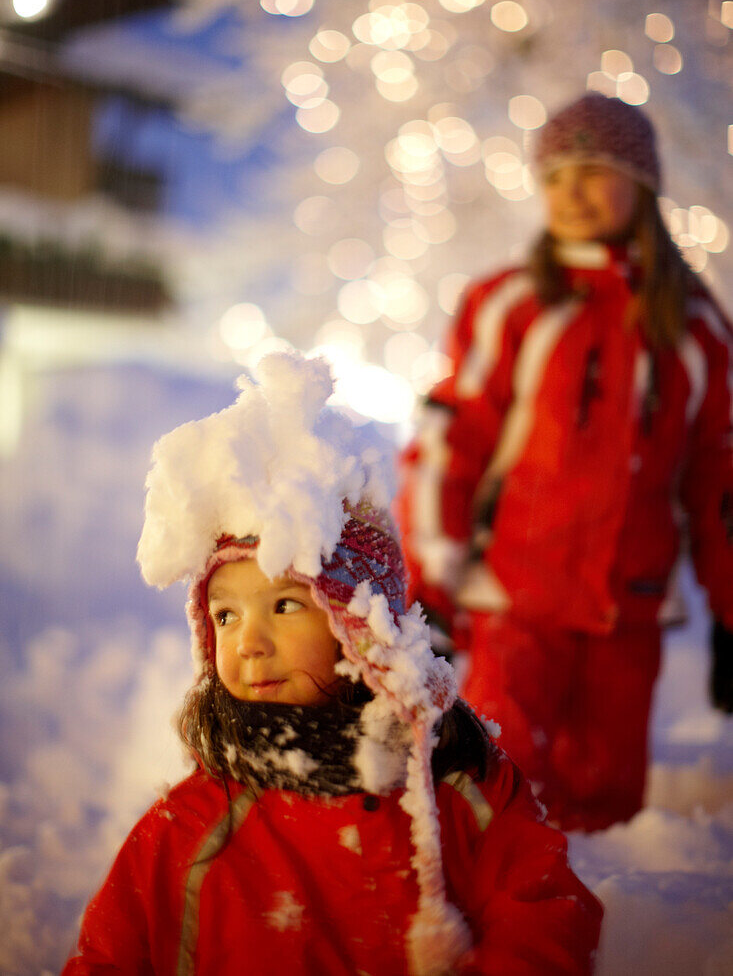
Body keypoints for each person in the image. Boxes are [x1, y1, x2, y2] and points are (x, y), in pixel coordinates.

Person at [62, 352, 602, 976]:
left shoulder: (455, 787)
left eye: (285, 605)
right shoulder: (187, 829)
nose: (249, 643)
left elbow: (546, 915)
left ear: (359, 626)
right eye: (226, 616)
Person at [397, 92, 733, 833]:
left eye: (592, 170)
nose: (569, 191)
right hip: (513, 605)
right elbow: (449, 450)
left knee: (606, 805)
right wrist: (430, 588)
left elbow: (718, 479)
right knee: (492, 795)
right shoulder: (511, 303)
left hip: (628, 614)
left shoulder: (696, 326)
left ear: (641, 185)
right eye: (553, 175)